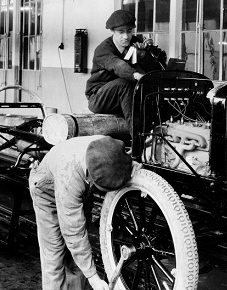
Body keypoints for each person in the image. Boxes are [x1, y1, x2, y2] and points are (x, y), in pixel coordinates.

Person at [29, 135, 138, 290]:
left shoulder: (108, 147)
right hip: (47, 194)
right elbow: (73, 233)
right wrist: (94, 278)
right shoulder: (70, 176)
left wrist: (133, 170)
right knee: (54, 258)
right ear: (92, 178)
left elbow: (124, 164)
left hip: (80, 192)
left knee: (76, 263)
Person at [85, 9, 155, 136]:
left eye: (129, 31)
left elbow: (152, 68)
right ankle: (138, 142)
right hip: (98, 97)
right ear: (112, 31)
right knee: (125, 83)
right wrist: (137, 75)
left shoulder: (135, 43)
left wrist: (145, 55)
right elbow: (118, 65)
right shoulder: (103, 49)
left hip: (122, 97)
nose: (126, 36)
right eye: (121, 32)